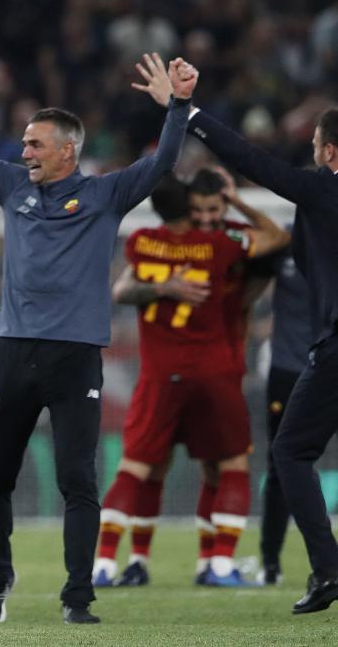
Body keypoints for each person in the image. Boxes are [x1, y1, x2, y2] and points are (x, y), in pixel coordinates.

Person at [0, 44, 195, 624]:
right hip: (12, 353)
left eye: (35, 143)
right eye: (25, 143)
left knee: (78, 482)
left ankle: (77, 597)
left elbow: (162, 165)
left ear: (67, 151)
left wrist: (179, 106)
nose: (23, 150)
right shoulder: (11, 186)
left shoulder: (106, 194)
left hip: (76, 358)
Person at [171, 57, 338, 614]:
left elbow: (251, 160)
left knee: (291, 452)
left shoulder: (322, 190)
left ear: (329, 152)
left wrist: (188, 111)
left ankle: (328, 571)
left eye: (316, 145)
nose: (313, 152)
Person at [92, 173, 286, 588]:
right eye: (198, 209)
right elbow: (277, 239)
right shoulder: (221, 244)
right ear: (188, 206)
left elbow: (123, 288)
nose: (205, 216)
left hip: (165, 371)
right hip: (213, 367)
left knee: (146, 465)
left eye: (213, 210)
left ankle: (108, 563)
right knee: (218, 465)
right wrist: (243, 204)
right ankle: (210, 564)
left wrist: (160, 284)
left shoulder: (141, 241)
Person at [257, 230, 317, 586]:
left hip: (326, 368)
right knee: (279, 464)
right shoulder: (285, 244)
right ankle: (270, 562)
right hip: (288, 371)